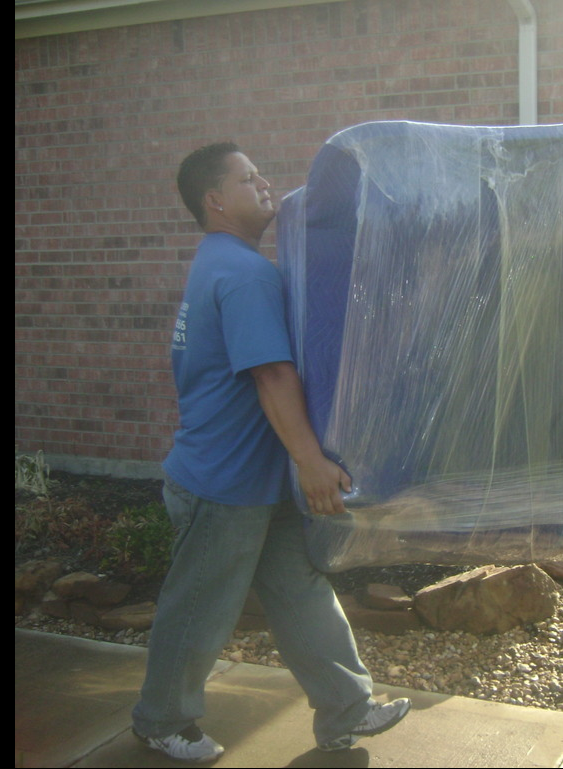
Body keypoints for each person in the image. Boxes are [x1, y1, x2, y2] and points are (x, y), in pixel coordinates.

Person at [131, 143, 410, 762]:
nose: (264, 184)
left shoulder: (219, 262)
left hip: (256, 478)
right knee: (200, 607)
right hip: (222, 484)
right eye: (247, 178)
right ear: (214, 200)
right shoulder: (244, 272)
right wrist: (312, 461)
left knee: (300, 591)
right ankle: (162, 720)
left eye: (263, 172)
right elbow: (272, 376)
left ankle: (346, 708)